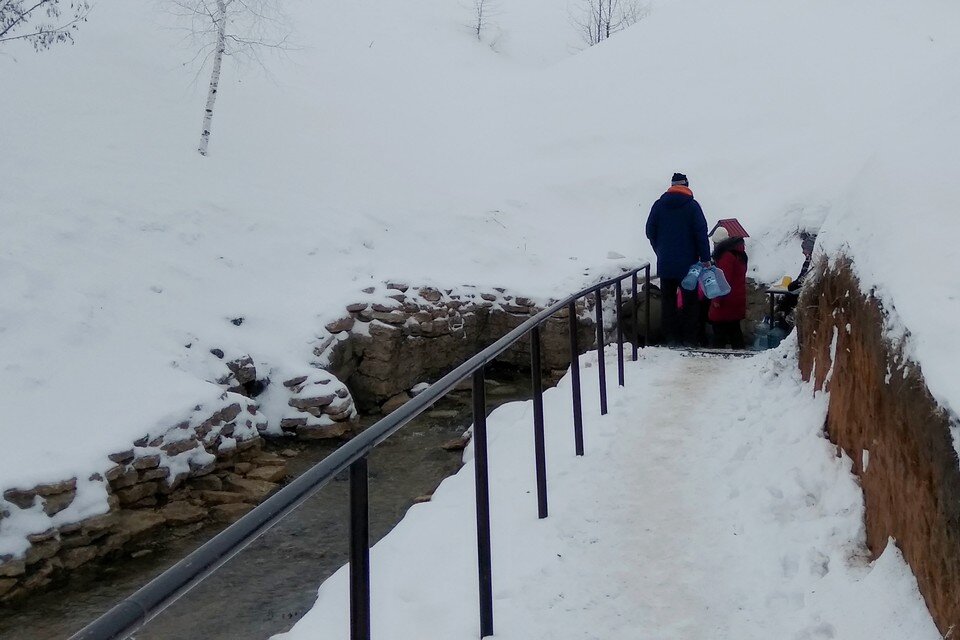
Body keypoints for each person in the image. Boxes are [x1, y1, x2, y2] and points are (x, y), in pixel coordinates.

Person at [645, 173, 711, 346]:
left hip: (666, 264)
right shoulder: (692, 206)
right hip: (689, 265)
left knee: (668, 302)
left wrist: (660, 249)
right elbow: (701, 234)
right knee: (690, 303)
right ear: (687, 185)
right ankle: (690, 339)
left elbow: (650, 231)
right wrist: (705, 258)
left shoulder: (659, 206)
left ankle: (671, 339)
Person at [707, 226, 748, 349]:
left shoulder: (726, 257)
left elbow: (723, 280)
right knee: (734, 329)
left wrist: (717, 300)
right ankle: (741, 356)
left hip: (726, 299)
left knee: (719, 331)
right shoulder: (740, 254)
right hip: (738, 296)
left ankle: (717, 356)